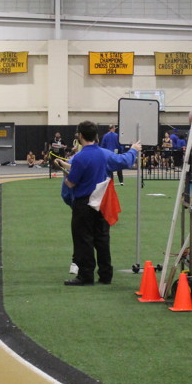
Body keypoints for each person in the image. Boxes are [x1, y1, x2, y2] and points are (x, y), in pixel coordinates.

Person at [61, 121, 140, 287]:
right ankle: (105, 274)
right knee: (102, 238)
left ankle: (86, 275)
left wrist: (66, 175)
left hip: (84, 203)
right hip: (102, 202)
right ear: (96, 136)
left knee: (84, 240)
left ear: (80, 136)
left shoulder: (79, 157)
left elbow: (71, 183)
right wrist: (133, 149)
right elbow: (125, 161)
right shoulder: (105, 154)